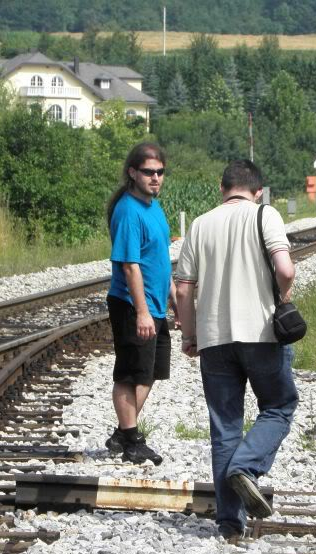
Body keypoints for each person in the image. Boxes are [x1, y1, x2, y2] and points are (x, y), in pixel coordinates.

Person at [174, 159, 299, 542]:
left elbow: (182, 288)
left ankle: (230, 524)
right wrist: (285, 296)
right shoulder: (266, 215)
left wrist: (190, 335)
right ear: (257, 190)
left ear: (221, 187)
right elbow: (286, 269)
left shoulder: (200, 224)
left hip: (214, 340)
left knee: (225, 428)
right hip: (261, 335)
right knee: (279, 406)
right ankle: (246, 467)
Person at [104, 142, 178, 465]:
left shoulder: (153, 207)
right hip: (133, 306)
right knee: (129, 373)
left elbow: (160, 259)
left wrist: (173, 299)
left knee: (150, 372)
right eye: (149, 172)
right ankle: (132, 439)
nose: (156, 178)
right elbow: (130, 265)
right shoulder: (128, 211)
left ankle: (123, 433)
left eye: (160, 172)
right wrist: (143, 312)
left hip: (155, 306)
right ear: (133, 173)